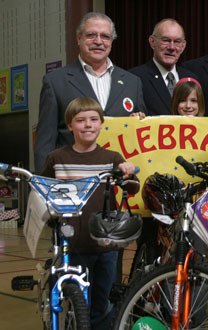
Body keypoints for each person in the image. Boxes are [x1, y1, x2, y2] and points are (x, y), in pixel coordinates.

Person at [41, 97, 139, 329]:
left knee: (103, 303)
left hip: (107, 245)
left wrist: (127, 172)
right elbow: (43, 191)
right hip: (73, 243)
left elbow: (132, 188)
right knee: (77, 303)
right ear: (70, 125)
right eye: (81, 120)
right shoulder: (57, 158)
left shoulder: (112, 158)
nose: (88, 125)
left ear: (101, 124)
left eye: (94, 119)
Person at [34, 12, 147, 174]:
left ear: (111, 42)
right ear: (78, 38)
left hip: (119, 179)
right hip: (72, 179)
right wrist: (43, 185)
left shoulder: (132, 82)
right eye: (91, 35)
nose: (99, 42)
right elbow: (45, 141)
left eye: (105, 36)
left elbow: (141, 135)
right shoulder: (55, 81)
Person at [130, 18, 195, 116]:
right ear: (152, 42)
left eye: (177, 42)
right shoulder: (134, 78)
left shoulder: (192, 78)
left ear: (183, 46)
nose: (172, 47)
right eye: (166, 40)